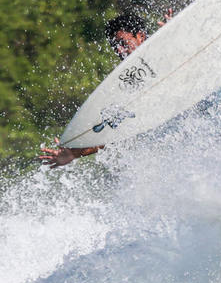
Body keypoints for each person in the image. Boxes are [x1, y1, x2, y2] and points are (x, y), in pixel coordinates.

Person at [39, 10, 170, 168]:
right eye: (115, 46)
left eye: (123, 43)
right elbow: (114, 132)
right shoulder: (127, 86)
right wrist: (74, 152)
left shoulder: (165, 49)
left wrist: (176, 31)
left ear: (140, 36)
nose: (119, 51)